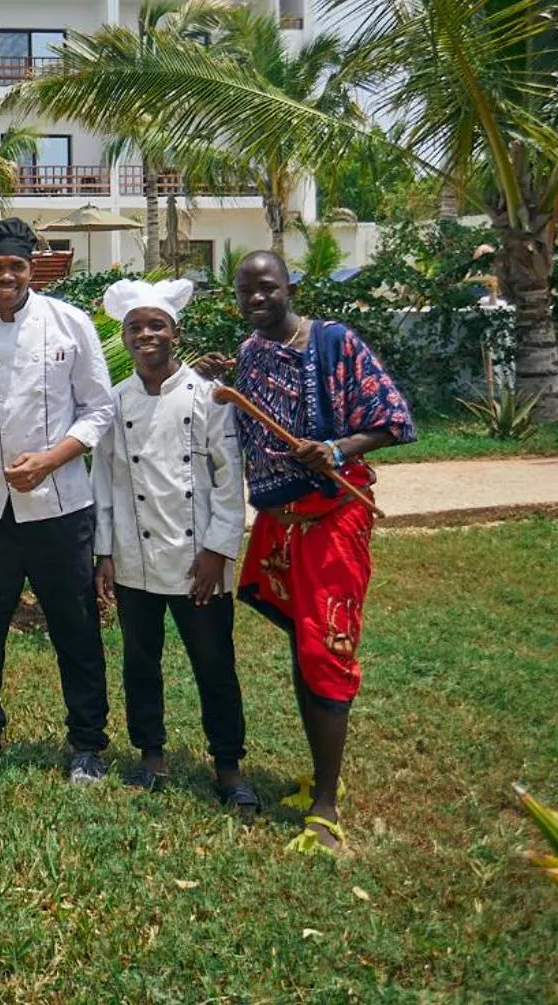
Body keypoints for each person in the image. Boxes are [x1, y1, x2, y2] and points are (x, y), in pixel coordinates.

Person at [196, 250, 415, 852]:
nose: (256, 299)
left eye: (266, 288)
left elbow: (395, 420)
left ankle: (325, 806)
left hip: (330, 520)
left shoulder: (334, 342)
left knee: (327, 650)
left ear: (290, 285)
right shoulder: (250, 352)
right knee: (302, 640)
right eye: (245, 292)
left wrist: (339, 449)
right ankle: (320, 778)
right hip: (279, 523)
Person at [0, 216, 117, 783]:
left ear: (31, 268)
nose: (4, 276)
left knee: (75, 624)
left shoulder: (69, 324)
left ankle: (87, 742)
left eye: (15, 266)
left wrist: (51, 459)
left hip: (62, 504)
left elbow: (99, 409)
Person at [91, 278, 256, 820]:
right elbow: (108, 483)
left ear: (174, 333)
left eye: (156, 325)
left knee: (214, 663)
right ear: (125, 336)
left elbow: (229, 480)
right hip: (136, 557)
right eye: (136, 328)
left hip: (197, 561)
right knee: (141, 662)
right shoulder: (114, 402)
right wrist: (105, 553)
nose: (146, 335)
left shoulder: (210, 397)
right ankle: (152, 755)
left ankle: (229, 765)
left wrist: (218, 549)